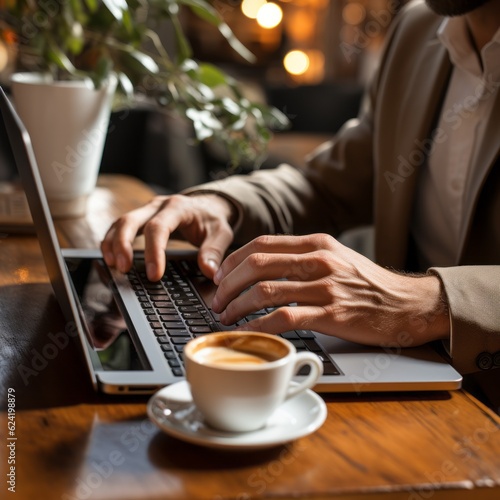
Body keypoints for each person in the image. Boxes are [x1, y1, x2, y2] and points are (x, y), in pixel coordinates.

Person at [101, 0, 500, 381]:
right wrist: (221, 204)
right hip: (400, 377)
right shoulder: (418, 29)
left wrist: (431, 303)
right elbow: (327, 185)